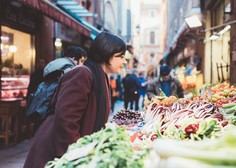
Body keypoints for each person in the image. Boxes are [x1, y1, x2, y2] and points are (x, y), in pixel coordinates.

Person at [23, 31, 127, 168]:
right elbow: (66, 120)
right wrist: (74, 157)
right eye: (121, 56)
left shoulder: (101, 77)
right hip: (57, 151)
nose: (124, 61)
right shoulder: (83, 73)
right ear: (107, 54)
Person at [26, 46, 87, 132]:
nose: (82, 64)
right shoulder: (69, 70)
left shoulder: (53, 64)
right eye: (81, 61)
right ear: (74, 58)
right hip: (56, 112)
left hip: (43, 108)